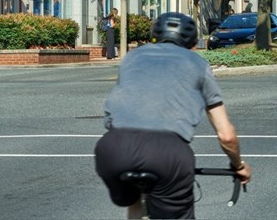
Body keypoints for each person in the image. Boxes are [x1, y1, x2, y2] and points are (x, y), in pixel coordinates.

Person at [95, 12, 251, 219]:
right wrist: (238, 165)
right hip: (168, 154)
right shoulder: (198, 64)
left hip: (113, 149)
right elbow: (227, 135)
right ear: (192, 41)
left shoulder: (132, 58)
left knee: (134, 202)